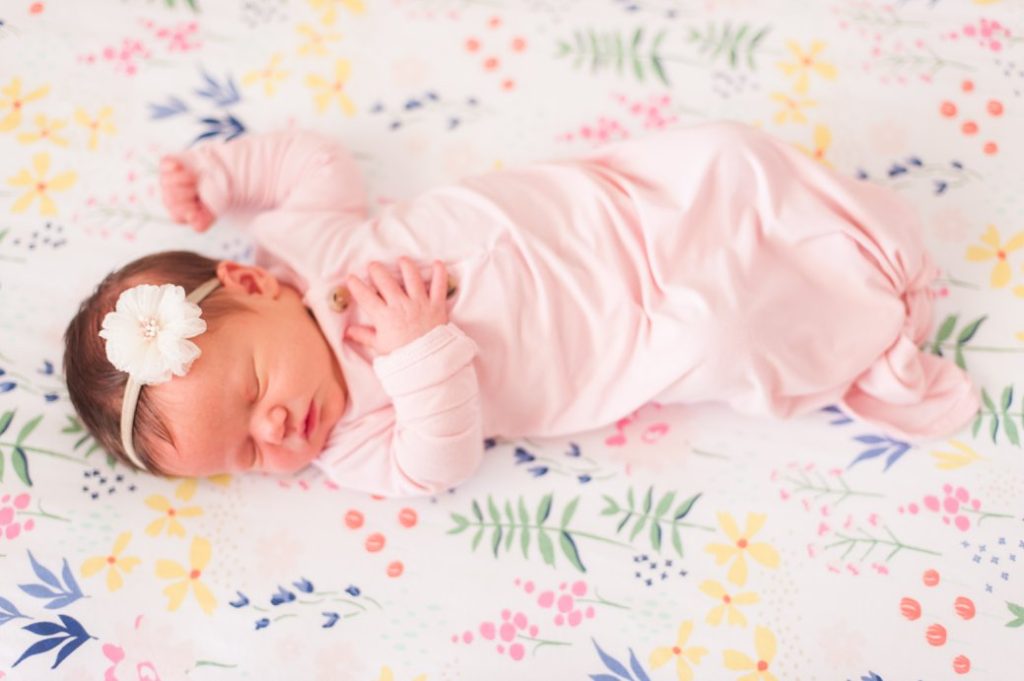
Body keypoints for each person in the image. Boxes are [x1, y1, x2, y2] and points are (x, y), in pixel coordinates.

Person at [63, 121, 980, 497]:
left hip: (614, 217)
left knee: (724, 158)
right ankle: (870, 312)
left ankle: (835, 225)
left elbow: (310, 163)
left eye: (254, 391)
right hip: (631, 336)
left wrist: (224, 174)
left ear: (254, 286)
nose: (276, 431)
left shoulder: (306, 247)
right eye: (252, 454)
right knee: (727, 332)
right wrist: (420, 354)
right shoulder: (351, 447)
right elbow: (440, 464)